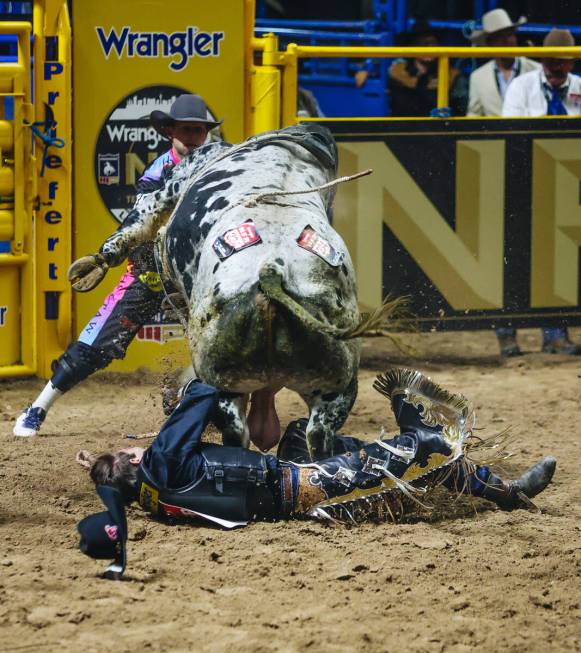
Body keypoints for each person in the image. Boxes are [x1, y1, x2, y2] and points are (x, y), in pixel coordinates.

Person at [78, 367, 556, 579]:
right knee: (427, 451)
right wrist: (238, 360)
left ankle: (385, 452)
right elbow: (203, 391)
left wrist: (98, 468)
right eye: (130, 450)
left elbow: (125, 479)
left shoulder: (149, 497)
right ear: (135, 460)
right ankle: (508, 492)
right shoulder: (159, 460)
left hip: (283, 484)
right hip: (301, 489)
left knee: (304, 429)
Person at [13, 94, 223, 437]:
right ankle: (38, 407)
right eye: (186, 131)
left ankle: (191, 396)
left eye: (198, 131)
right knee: (97, 344)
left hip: (199, 275)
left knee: (225, 338)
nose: (193, 138)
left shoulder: (218, 166)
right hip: (152, 272)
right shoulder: (158, 175)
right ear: (170, 131)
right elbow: (141, 225)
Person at [497, 28, 581, 357]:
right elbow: (510, 135)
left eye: (560, 62)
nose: (554, 67)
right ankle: (507, 335)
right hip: (523, 183)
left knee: (558, 262)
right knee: (512, 256)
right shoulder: (522, 86)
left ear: (570, 63)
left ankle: (555, 334)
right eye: (549, 60)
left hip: (566, 190)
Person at [467, 8, 540, 117]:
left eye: (510, 34)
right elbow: (473, 116)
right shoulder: (478, 77)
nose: (507, 41)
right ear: (489, 43)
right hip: (493, 133)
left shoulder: (536, 70)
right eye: (499, 37)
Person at [387, 21, 466, 117]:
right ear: (412, 46)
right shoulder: (396, 71)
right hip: (402, 127)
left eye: (433, 43)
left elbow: (461, 108)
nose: (429, 48)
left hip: (437, 128)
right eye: (423, 44)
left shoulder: (452, 75)